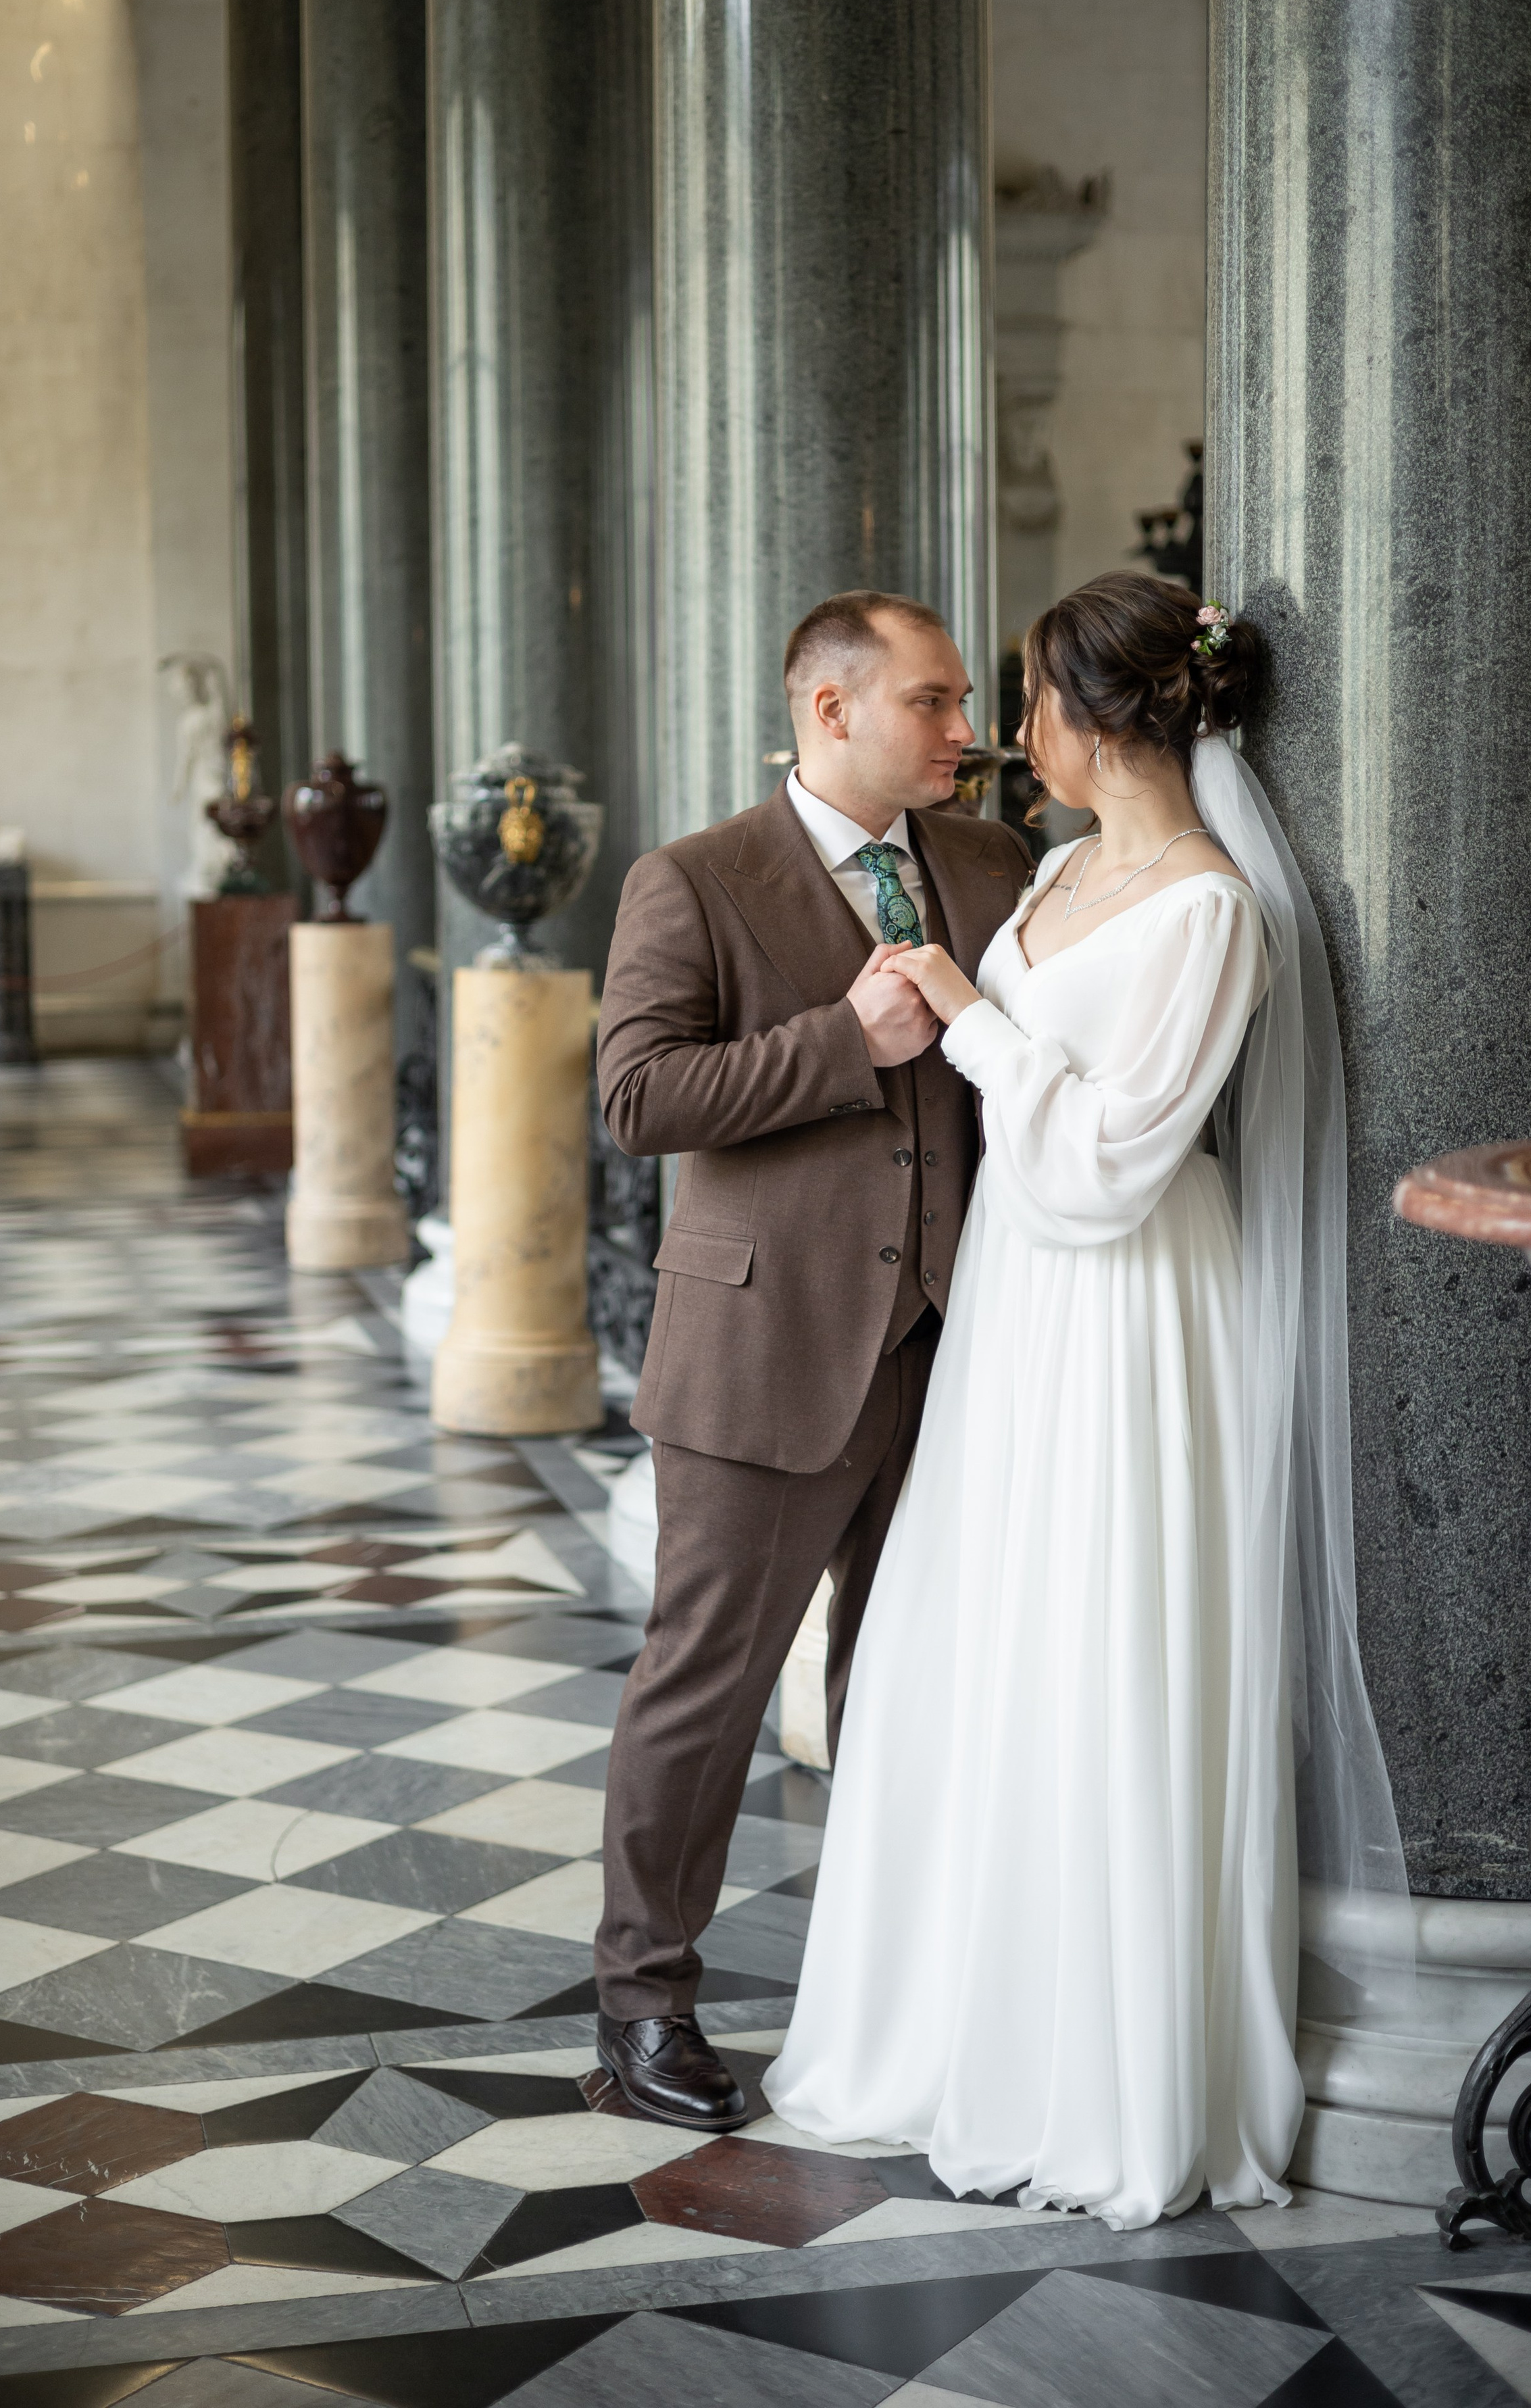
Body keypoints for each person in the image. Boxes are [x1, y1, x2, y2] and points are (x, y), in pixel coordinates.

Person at [766, 569, 1407, 2228]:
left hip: (1129, 1309)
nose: (999, 732)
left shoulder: (1211, 913)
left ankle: (1104, 2074)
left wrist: (969, 1016)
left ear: (1096, 713)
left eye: (1025, 698)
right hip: (1015, 1309)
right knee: (990, 1639)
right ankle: (962, 2027)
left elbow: (1114, 1161)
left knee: (1107, 1643)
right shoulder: (1050, 873)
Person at [591, 589, 1033, 2129]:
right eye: (933, 703)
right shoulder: (695, 879)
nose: (963, 734)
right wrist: (843, 1039)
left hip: (953, 1350)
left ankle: (891, 1997)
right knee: (702, 1685)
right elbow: (639, 1098)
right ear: (830, 711)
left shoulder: (992, 864)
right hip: (760, 1355)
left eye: (965, 701)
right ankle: (642, 2006)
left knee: (907, 1685)